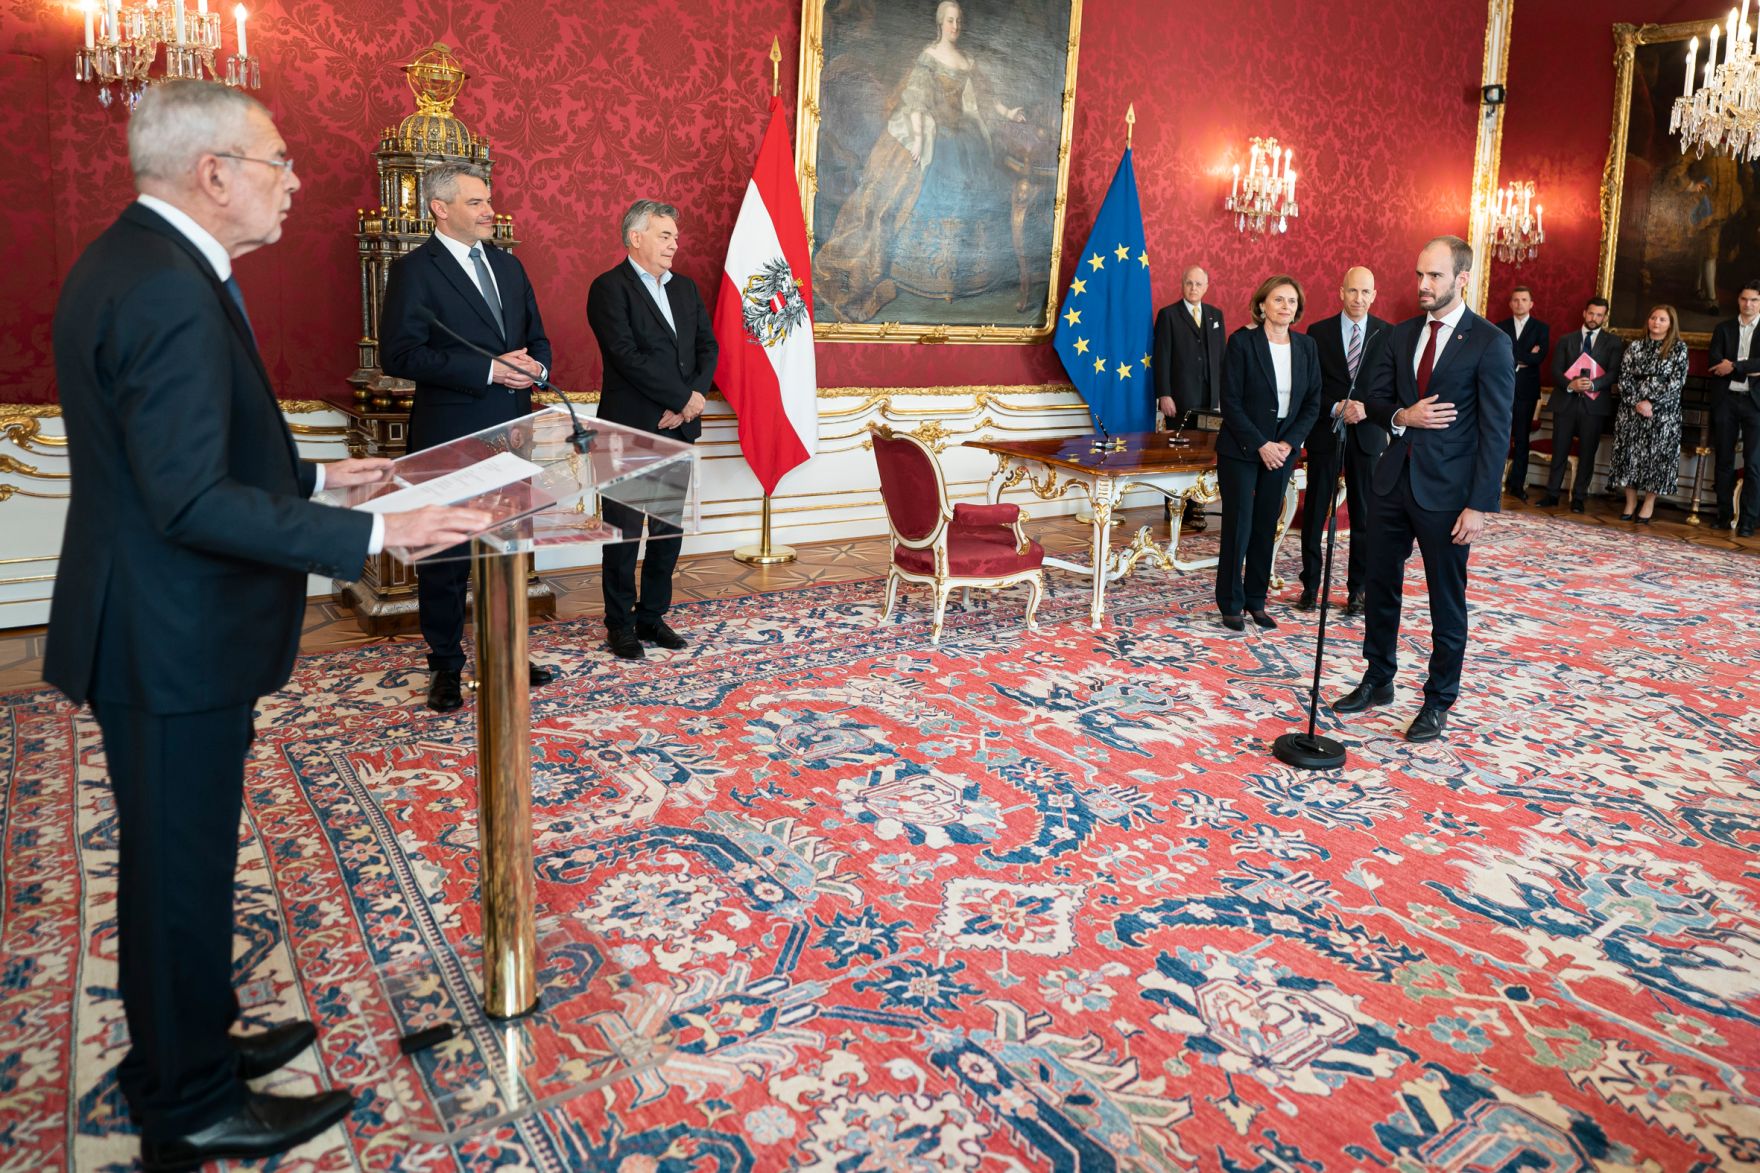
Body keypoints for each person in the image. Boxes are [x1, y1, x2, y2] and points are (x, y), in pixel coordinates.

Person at [43, 81, 488, 1169]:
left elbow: (191, 460)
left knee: (182, 862)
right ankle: (187, 1104)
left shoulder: (145, 264)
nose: (293, 180)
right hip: (168, 636)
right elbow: (187, 500)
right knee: (175, 871)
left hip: (162, 625)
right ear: (213, 173)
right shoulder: (166, 289)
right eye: (277, 159)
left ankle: (192, 1046)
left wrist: (327, 477)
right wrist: (375, 534)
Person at [379, 162, 557, 712]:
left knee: (507, 548)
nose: (489, 210)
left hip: (514, 430)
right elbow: (400, 354)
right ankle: (446, 665)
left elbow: (537, 338)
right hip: (450, 432)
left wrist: (537, 370)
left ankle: (506, 649)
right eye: (477, 202)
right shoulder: (416, 271)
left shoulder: (509, 266)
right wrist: (486, 371)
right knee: (448, 556)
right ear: (440, 207)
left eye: (488, 200)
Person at [1333, 236, 1514, 743]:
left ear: (1461, 279)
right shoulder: (1401, 333)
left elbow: (1496, 431)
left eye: (1433, 276)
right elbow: (1376, 398)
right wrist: (1401, 416)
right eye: (1418, 275)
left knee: (1445, 600)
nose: (1422, 285)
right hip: (1392, 480)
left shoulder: (1489, 342)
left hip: (1449, 494)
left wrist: (1479, 503)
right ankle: (1378, 679)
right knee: (1380, 585)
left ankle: (1438, 701)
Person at [812, 0, 1024, 322]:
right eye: (950, 21)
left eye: (958, 20)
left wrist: (1010, 113)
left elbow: (985, 98)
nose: (955, 26)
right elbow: (916, 101)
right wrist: (920, 140)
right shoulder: (929, 58)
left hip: (966, 136)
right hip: (934, 133)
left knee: (973, 190)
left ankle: (968, 274)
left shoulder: (968, 60)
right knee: (924, 187)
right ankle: (921, 271)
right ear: (940, 24)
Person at [587, 199, 718, 659]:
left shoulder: (684, 289)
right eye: (665, 235)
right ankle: (619, 625)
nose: (674, 243)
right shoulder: (608, 288)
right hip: (626, 430)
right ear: (635, 237)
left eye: (675, 237)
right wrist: (681, 399)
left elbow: (707, 346)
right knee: (622, 535)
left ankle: (652, 617)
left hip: (677, 427)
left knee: (666, 532)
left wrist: (693, 401)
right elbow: (627, 356)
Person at [1214, 275, 1321, 631]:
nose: (1285, 307)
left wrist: (1288, 444)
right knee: (1239, 525)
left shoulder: (1306, 347)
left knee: (1266, 526)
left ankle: (1256, 601)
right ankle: (1231, 603)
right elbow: (1229, 401)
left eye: (1291, 301)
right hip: (1243, 448)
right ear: (1262, 305)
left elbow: (1312, 402)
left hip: (1283, 448)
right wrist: (1261, 444)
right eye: (1278, 300)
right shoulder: (1242, 343)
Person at [1296, 266, 1391, 615]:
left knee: (1365, 514)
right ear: (1341, 292)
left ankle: (1358, 590)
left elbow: (1390, 390)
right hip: (1327, 432)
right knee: (1316, 511)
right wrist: (1337, 406)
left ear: (1374, 295)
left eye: (1366, 293)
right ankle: (1310, 586)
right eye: (1353, 291)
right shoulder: (1317, 333)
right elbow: (1310, 387)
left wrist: (1367, 409)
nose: (1359, 299)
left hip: (1367, 436)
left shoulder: (1386, 334)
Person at [1153, 265, 1226, 531]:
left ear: (1207, 286)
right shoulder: (1169, 315)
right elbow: (1161, 356)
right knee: (1177, 454)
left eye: (1199, 284)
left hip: (1209, 398)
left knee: (1204, 454)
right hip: (1180, 398)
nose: (1194, 288)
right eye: (1189, 283)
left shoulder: (1215, 316)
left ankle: (1198, 506)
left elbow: (1221, 357)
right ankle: (1175, 505)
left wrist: (1221, 396)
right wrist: (1164, 393)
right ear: (1182, 285)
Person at [1539, 296, 1622, 511]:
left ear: (1605, 317)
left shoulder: (1613, 342)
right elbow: (1555, 370)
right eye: (1591, 313)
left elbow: (1614, 373)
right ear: (1584, 313)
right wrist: (1571, 385)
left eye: (1599, 315)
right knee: (1559, 449)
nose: (1594, 318)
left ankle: (1578, 498)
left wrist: (1593, 386)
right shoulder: (1566, 340)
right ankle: (1552, 494)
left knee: (1587, 453)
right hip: (1565, 402)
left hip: (1594, 406)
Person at [1608, 305, 1689, 524]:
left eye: (1662, 319)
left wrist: (1651, 404)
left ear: (1670, 324)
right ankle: (1630, 502)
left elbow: (1676, 383)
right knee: (1629, 456)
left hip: (1662, 415)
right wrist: (1637, 403)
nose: (1656, 322)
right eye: (1653, 318)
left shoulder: (1678, 348)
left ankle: (1649, 503)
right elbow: (1624, 378)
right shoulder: (1635, 346)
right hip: (1631, 412)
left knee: (1657, 459)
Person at [1706, 280, 1760, 536]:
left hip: (1755, 403)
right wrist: (1750, 368)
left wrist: (1735, 366)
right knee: (1724, 461)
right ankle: (1723, 515)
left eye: (1754, 300)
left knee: (1753, 464)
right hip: (1726, 400)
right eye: (1744, 299)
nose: (1748, 304)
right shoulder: (1723, 328)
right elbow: (1715, 361)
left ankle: (1749, 520)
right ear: (1738, 300)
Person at [1496, 286, 1550, 500]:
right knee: (1497, 437)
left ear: (1531, 304)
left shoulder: (1541, 328)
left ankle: (1517, 485)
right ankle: (1492, 482)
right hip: (1501, 390)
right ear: (1510, 303)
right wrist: (1526, 354)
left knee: (1521, 440)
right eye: (1515, 300)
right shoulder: (1500, 327)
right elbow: (1499, 356)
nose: (1519, 303)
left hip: (1527, 392)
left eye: (1524, 300)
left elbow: (1539, 358)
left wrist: (1518, 355)